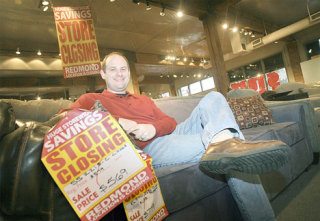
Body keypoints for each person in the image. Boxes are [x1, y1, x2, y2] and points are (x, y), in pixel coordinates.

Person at [70, 52, 289, 221]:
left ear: (129, 71)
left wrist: (153, 128)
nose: (119, 73)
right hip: (148, 148)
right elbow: (65, 120)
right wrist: (120, 123)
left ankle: (225, 142)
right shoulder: (90, 99)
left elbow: (170, 123)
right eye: (113, 69)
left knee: (213, 97)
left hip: (167, 135)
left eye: (123, 68)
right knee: (229, 150)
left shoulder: (143, 100)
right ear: (103, 74)